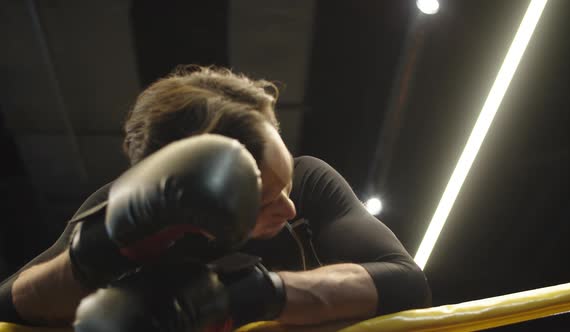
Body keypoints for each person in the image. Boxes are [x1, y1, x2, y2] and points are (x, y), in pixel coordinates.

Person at [0, 66, 431, 330]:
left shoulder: (309, 179)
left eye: (283, 183)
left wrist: (252, 294)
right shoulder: (127, 209)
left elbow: (406, 282)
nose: (289, 208)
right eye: (263, 201)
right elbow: (8, 313)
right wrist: (103, 250)